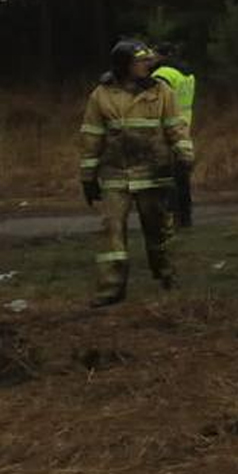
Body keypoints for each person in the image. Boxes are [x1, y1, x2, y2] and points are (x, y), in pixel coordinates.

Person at [78, 39, 193, 306]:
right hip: (115, 173)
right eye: (140, 61)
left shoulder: (161, 91)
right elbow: (91, 137)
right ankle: (111, 289)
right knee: (111, 232)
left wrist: (185, 157)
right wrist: (87, 177)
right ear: (123, 65)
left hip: (154, 172)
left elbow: (176, 127)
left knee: (159, 232)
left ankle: (167, 276)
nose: (147, 66)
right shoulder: (101, 95)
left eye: (147, 60)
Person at [151, 43, 199, 228]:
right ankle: (185, 217)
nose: (151, 58)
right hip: (184, 127)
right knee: (182, 176)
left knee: (167, 176)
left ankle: (170, 216)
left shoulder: (162, 74)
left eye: (155, 54)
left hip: (166, 130)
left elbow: (155, 102)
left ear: (163, 56)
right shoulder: (187, 73)